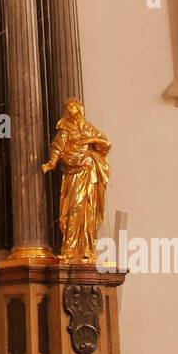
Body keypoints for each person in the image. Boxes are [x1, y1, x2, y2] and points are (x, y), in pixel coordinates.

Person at [42, 98, 112, 263]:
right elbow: (57, 147)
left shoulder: (88, 128)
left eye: (73, 106)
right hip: (73, 174)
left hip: (89, 176)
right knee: (72, 209)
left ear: (79, 108)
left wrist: (91, 140)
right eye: (67, 107)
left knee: (88, 210)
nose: (70, 109)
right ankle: (70, 249)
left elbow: (106, 143)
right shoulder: (65, 130)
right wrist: (51, 163)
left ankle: (87, 249)